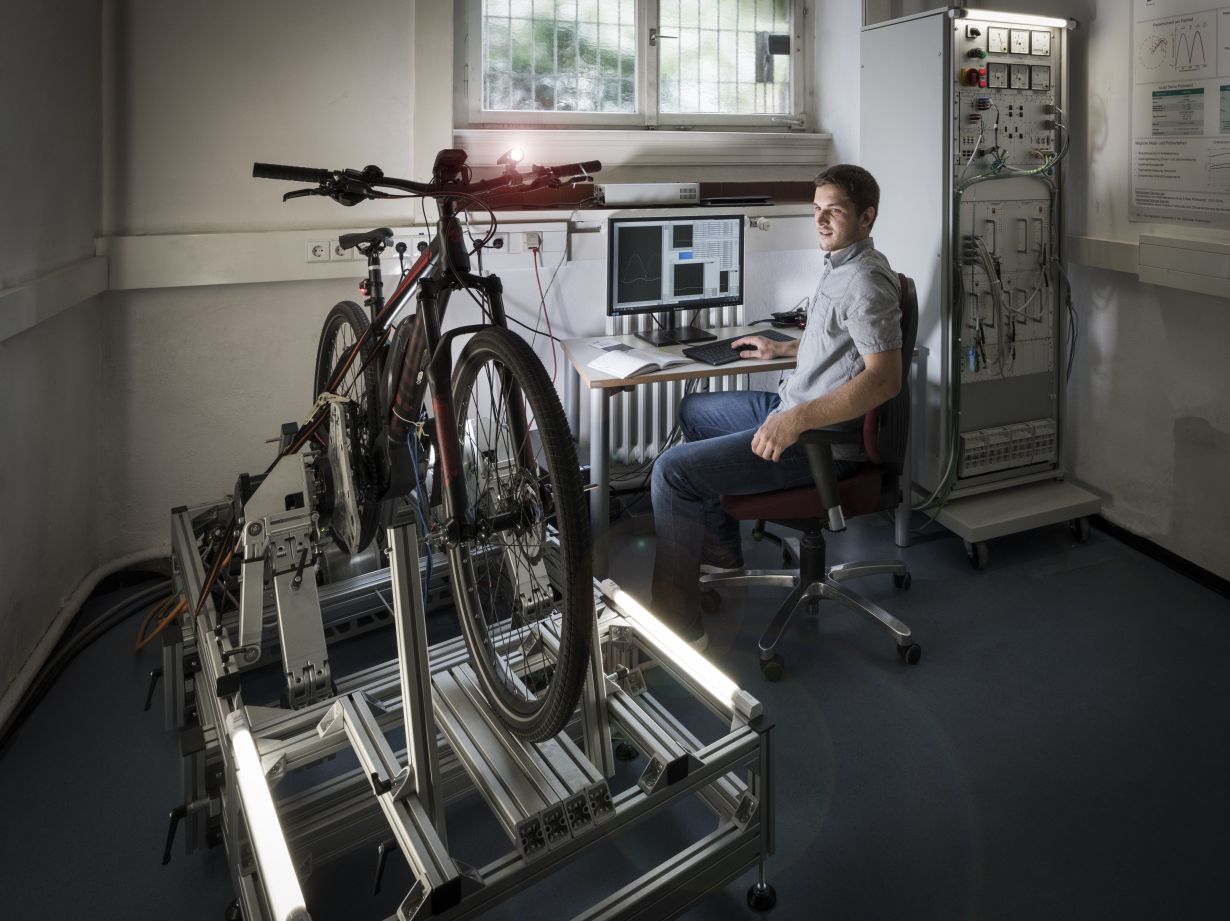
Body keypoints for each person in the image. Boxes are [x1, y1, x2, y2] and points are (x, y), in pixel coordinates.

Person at [649, 164, 903, 649]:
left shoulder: (867, 281)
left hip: (817, 440)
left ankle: (679, 630)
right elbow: (838, 341)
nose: (822, 221)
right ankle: (722, 552)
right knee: (695, 410)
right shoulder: (841, 266)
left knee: (671, 471)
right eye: (817, 210)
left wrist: (796, 421)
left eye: (835, 211)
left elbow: (884, 379)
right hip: (793, 405)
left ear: (866, 217)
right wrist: (783, 350)